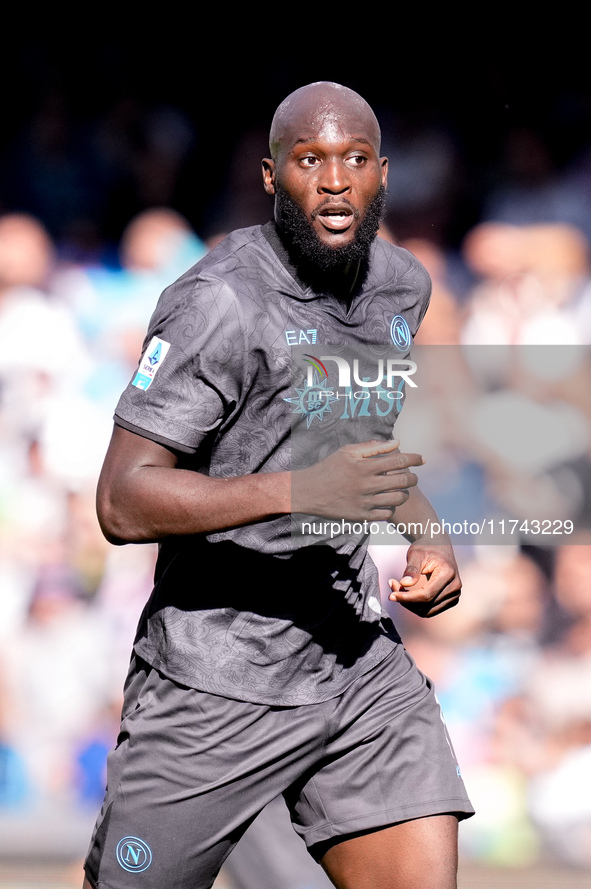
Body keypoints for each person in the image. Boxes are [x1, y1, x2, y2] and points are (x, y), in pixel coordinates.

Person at [83, 82, 474, 889]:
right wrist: (299, 491)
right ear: (271, 176)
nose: (333, 180)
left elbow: (358, 442)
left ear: (382, 173)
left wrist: (427, 534)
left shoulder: (402, 288)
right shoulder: (217, 302)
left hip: (354, 662)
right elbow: (122, 501)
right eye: (308, 160)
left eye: (353, 160)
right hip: (214, 675)